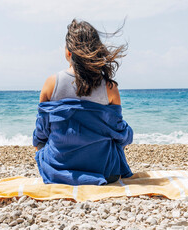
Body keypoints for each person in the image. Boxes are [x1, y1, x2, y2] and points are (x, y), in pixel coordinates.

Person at [33, 19, 133, 185]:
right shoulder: (109, 87)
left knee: (43, 143)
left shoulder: (52, 83)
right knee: (118, 139)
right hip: (104, 170)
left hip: (57, 169)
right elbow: (120, 134)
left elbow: (41, 131)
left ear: (68, 52)